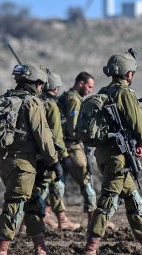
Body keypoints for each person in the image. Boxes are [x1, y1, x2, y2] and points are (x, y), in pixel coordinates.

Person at [83, 49, 142, 255]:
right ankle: (90, 249)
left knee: (133, 199)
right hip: (118, 157)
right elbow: (140, 127)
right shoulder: (124, 93)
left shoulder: (103, 93)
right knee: (108, 200)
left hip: (104, 154)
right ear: (128, 73)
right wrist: (141, 141)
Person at [0, 62, 59, 255]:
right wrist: (53, 161)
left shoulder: (5, 99)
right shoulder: (32, 102)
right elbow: (43, 135)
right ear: (37, 83)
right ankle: (1, 250)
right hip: (24, 163)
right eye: (41, 85)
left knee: (32, 202)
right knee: (15, 204)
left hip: (4, 162)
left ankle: (40, 248)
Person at [39, 70, 81, 230]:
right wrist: (64, 156)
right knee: (56, 186)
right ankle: (62, 219)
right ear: (55, 88)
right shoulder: (51, 106)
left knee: (41, 189)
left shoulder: (37, 102)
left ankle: (40, 218)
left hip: (37, 153)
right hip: (51, 153)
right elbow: (56, 135)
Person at [58, 72, 98, 223]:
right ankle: (92, 217)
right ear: (80, 83)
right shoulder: (74, 99)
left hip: (61, 145)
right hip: (72, 146)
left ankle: (59, 217)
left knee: (59, 180)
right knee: (85, 178)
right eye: (89, 86)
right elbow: (74, 127)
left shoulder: (65, 97)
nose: (90, 90)